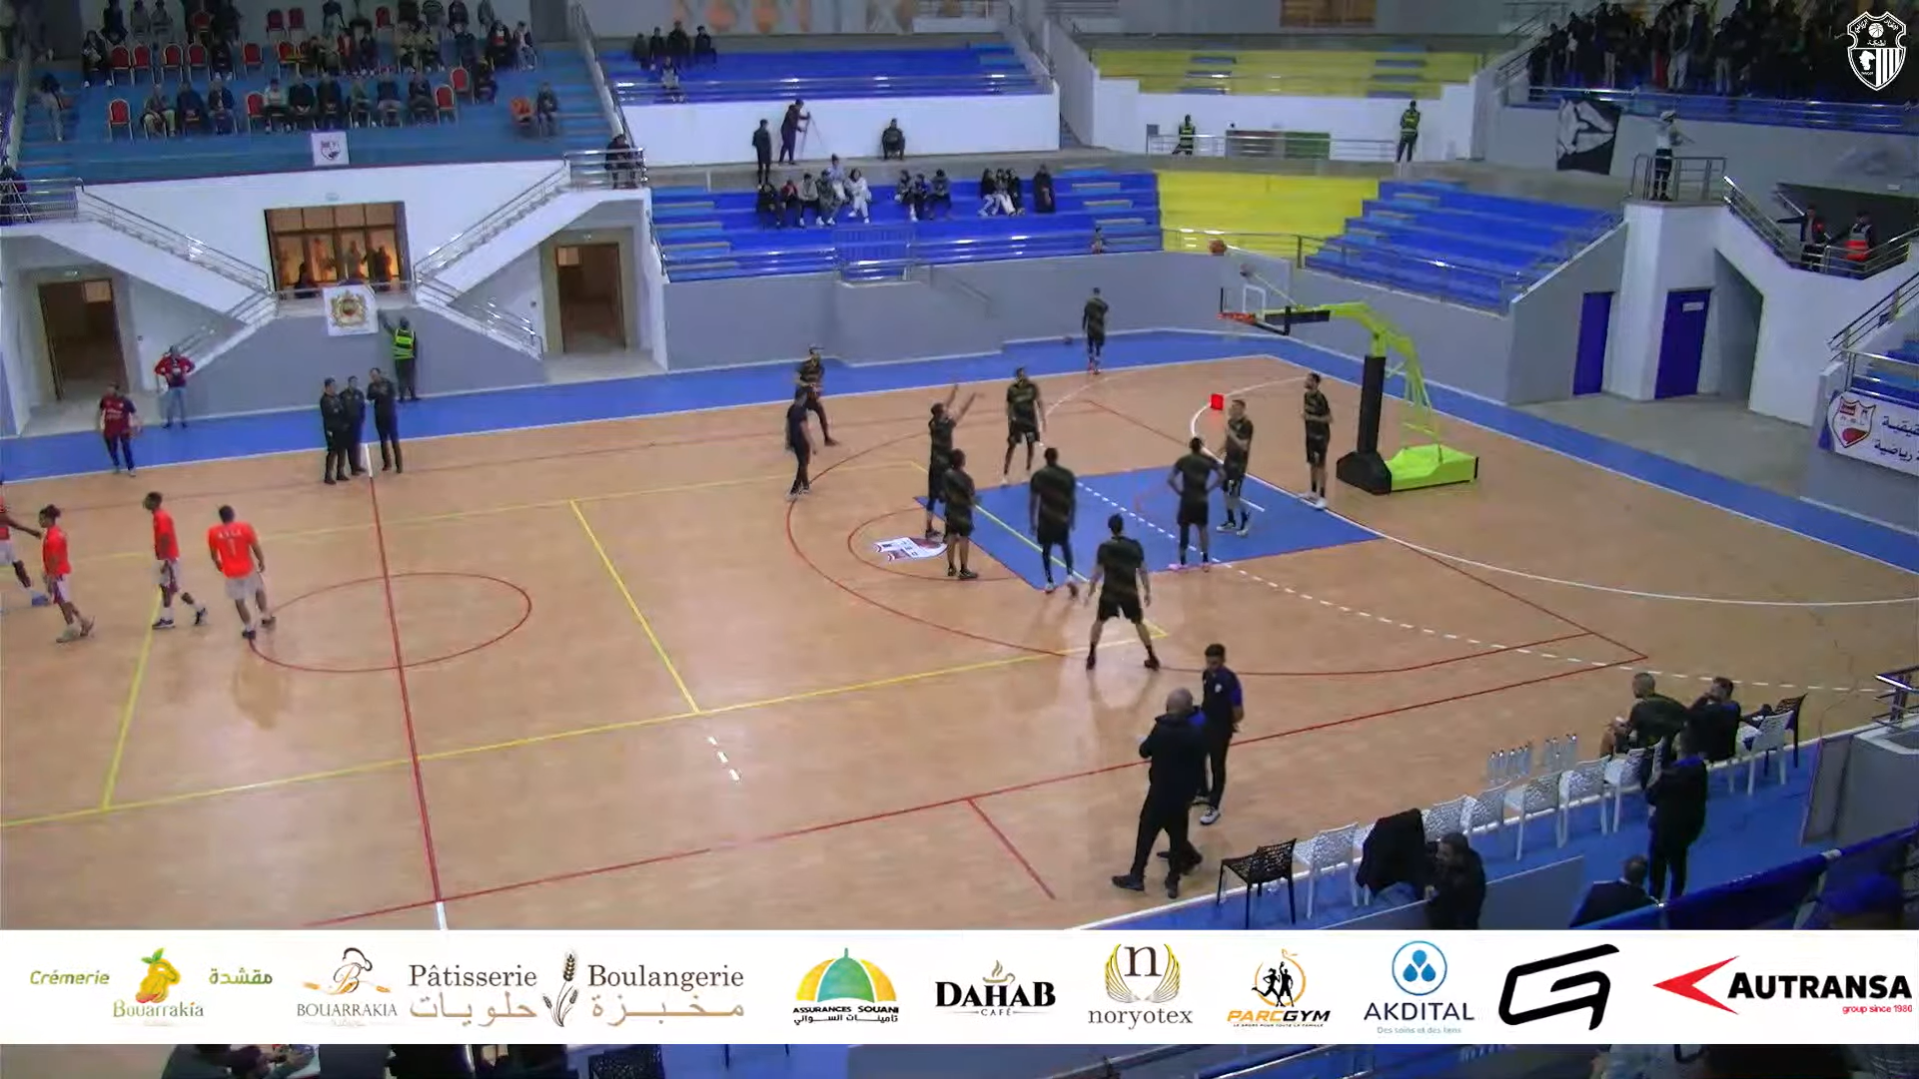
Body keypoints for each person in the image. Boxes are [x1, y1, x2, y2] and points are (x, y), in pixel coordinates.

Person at [1112, 688, 1205, 898]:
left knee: (1147, 831)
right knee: (1177, 832)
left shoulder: (1161, 729)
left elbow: (1144, 751)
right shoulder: (1195, 733)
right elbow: (1200, 765)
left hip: (1160, 792)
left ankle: (1137, 876)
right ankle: (1174, 879)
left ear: (1168, 707)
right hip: (1182, 794)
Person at [1084, 513, 1158, 671]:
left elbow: (1098, 571)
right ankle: (1152, 656)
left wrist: (1091, 589)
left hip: (1110, 590)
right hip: (1129, 590)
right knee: (1138, 622)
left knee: (1099, 621)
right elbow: (1143, 570)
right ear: (1123, 527)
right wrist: (1147, 591)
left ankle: (1091, 655)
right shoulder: (1134, 546)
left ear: (1110, 529)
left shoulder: (1104, 548)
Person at [1645, 729, 1708, 901]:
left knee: (1657, 865)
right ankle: (1676, 899)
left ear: (1680, 747)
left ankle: (1655, 899)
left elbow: (1650, 796)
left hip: (1666, 828)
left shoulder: (1669, 775)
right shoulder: (1700, 768)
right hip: (1690, 826)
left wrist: (1656, 777)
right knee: (1679, 861)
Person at [207, 504, 274, 640]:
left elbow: (213, 553)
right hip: (247, 568)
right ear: (233, 515)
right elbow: (255, 546)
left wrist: (217, 563)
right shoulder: (244, 528)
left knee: (239, 601)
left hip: (231, 572)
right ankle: (266, 617)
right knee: (258, 590)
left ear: (221, 517)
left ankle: (249, 628)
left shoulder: (213, 532)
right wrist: (261, 560)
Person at [143, 492, 207, 629]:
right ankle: (168, 618)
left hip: (169, 558)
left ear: (155, 502)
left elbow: (165, 538)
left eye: (148, 500)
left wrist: (166, 561)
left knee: (176, 588)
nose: (145, 502)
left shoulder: (161, 518)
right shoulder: (157, 517)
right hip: (165, 557)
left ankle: (199, 608)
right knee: (165, 587)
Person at [1196, 643, 1242, 826]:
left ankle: (1213, 806)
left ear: (1223, 660)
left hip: (1221, 729)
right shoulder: (1206, 675)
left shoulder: (1230, 680)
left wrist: (1229, 724)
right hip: (1205, 724)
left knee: (1217, 765)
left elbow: (1238, 709)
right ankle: (1203, 792)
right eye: (1208, 662)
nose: (1211, 666)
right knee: (1197, 757)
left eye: (1214, 663)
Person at [923, 385, 976, 543]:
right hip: (945, 470)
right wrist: (971, 398)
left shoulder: (932, 424)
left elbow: (945, 406)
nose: (947, 411)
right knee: (950, 501)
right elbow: (961, 411)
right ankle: (948, 535)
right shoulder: (947, 426)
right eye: (944, 411)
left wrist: (954, 391)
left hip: (934, 466)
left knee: (932, 499)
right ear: (941, 414)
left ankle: (928, 529)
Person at [37, 506, 94, 643]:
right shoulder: (56, 532)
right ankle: (84, 622)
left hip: (58, 574)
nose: (39, 521)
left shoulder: (53, 538)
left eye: (42, 519)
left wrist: (50, 578)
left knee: (63, 603)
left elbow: (54, 559)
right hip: (60, 571)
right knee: (64, 600)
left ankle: (71, 628)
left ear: (49, 519)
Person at [1028, 446, 1077, 597]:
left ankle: (1049, 581)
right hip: (1062, 517)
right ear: (1056, 457)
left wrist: (1032, 521)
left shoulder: (1038, 476)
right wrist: (1072, 518)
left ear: (1045, 458)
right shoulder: (1067, 475)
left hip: (1045, 519)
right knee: (1065, 545)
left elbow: (1033, 501)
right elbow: (1072, 499)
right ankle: (1070, 574)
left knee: (1046, 549)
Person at [1166, 436, 1220, 570]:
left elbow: (1170, 479)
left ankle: (1183, 562)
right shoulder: (1208, 461)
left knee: (1184, 529)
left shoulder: (1183, 460)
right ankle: (1205, 560)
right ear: (1201, 447)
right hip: (1202, 498)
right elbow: (1223, 475)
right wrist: (1210, 488)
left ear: (1190, 447)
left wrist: (1179, 491)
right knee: (1202, 529)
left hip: (1187, 499)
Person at [0, 481, 52, 607]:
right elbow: (4, 519)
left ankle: (33, 594)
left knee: (18, 565)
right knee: (17, 566)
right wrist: (30, 531)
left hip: (5, 537)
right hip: (2, 540)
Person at [1570, 854, 1657, 926]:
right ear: (1645, 876)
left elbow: (1576, 926)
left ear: (1624, 868)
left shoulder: (1598, 891)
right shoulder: (1649, 906)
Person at [1424, 831, 1486, 929]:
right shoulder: (1448, 861)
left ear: (1459, 857)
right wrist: (1430, 885)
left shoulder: (1467, 884)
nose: (1438, 856)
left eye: (1445, 854)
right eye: (1439, 852)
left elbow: (1463, 919)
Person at [1218, 397, 1254, 536]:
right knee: (1225, 491)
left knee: (1234, 494)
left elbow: (1244, 445)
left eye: (1234, 408)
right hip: (1228, 460)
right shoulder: (1231, 421)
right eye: (1231, 407)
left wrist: (1231, 434)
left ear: (1241, 409)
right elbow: (1228, 440)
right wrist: (1219, 451)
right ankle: (1231, 520)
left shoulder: (1247, 425)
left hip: (1239, 464)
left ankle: (1246, 519)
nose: (1230, 409)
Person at [941, 448, 979, 581]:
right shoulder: (967, 479)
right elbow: (971, 498)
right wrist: (974, 502)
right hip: (963, 513)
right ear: (962, 462)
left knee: (951, 536)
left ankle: (951, 567)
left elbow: (944, 493)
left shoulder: (946, 475)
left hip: (950, 511)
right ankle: (964, 570)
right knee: (964, 538)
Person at [1686, 676, 1742, 763]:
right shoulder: (1735, 707)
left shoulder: (1711, 711)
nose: (1709, 692)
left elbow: (1688, 716)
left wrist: (1703, 699)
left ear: (1723, 692)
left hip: (1710, 757)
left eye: (1713, 690)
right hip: (1728, 753)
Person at [1001, 366, 1043, 477]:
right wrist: (1010, 418)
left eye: (1024, 375)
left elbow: (1039, 402)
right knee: (1011, 446)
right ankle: (1005, 472)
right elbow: (1009, 406)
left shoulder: (1032, 387)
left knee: (1030, 445)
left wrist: (1042, 419)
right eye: (1020, 375)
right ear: (1017, 377)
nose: (1023, 377)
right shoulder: (1012, 389)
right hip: (1017, 423)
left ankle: (1028, 469)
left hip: (1030, 421)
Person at [1300, 372, 1332, 508]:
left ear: (1315, 383)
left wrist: (1311, 418)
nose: (1305, 381)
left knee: (1321, 466)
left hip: (1321, 436)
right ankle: (1313, 491)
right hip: (1310, 434)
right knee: (1312, 463)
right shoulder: (1306, 396)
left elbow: (1329, 418)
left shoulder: (1321, 399)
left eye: (1309, 380)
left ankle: (1323, 497)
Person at [795, 346, 836, 445]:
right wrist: (808, 385)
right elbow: (796, 380)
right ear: (812, 355)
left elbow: (818, 382)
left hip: (813, 396)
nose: (818, 356)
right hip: (802, 395)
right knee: (800, 419)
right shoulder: (804, 366)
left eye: (819, 354)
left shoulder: (821, 368)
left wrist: (818, 393)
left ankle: (827, 439)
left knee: (822, 416)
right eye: (816, 354)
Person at [98, 382, 140, 476]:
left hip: (123, 428)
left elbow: (134, 413)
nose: (108, 390)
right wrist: (100, 425)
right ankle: (116, 465)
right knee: (112, 448)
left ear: (116, 390)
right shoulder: (105, 400)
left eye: (111, 388)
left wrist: (138, 425)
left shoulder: (125, 401)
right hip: (109, 428)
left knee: (126, 447)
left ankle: (131, 468)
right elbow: (101, 411)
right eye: (108, 388)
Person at [367, 367, 402, 472]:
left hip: (390, 415)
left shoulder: (388, 383)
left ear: (379, 374)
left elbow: (392, 394)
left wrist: (381, 394)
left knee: (394, 441)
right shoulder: (371, 386)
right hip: (379, 415)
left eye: (375, 375)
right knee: (383, 441)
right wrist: (377, 393)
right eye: (372, 376)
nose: (374, 377)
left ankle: (399, 465)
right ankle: (387, 463)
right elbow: (369, 397)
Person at [319, 379, 352, 484]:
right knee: (332, 451)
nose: (335, 388)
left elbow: (343, 410)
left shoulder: (337, 397)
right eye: (333, 386)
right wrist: (338, 410)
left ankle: (340, 472)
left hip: (341, 428)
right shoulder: (324, 400)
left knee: (342, 450)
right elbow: (330, 412)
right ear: (327, 387)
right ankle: (328, 475)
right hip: (331, 429)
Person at [380, 313, 419, 400]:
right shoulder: (412, 334)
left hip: (399, 360)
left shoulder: (396, 333)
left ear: (400, 325)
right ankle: (413, 396)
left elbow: (387, 327)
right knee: (410, 378)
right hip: (409, 360)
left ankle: (402, 397)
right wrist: (414, 358)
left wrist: (382, 317)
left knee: (401, 379)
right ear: (407, 325)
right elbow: (415, 347)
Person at [784, 385, 812, 501]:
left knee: (802, 462)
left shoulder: (791, 408)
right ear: (803, 397)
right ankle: (794, 491)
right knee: (803, 464)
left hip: (794, 441)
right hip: (801, 441)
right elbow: (804, 429)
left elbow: (787, 426)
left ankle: (805, 485)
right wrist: (812, 444)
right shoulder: (801, 411)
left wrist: (788, 441)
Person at [340, 375, 368, 475]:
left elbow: (362, 407)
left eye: (355, 382)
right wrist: (343, 422)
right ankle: (353, 468)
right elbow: (341, 410)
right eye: (352, 382)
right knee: (350, 445)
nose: (354, 384)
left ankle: (357, 465)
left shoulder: (359, 394)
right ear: (349, 383)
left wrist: (362, 419)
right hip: (348, 423)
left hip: (357, 422)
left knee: (357, 444)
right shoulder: (343, 395)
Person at [1082, 287, 1108, 375]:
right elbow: (1105, 309)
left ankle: (1090, 363)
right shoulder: (1102, 304)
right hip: (1099, 328)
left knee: (1090, 345)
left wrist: (1083, 326)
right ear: (1099, 294)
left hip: (1090, 328)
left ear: (1093, 293)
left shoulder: (1088, 304)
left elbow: (1085, 316)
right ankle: (1096, 367)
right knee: (1098, 347)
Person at [778, 97, 807, 164]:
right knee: (786, 145)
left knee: (791, 145)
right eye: (800, 106)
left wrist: (806, 117)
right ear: (797, 105)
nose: (801, 108)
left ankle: (791, 160)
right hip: (786, 131)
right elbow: (792, 123)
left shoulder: (796, 111)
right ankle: (781, 160)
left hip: (791, 131)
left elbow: (799, 117)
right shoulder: (790, 112)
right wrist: (800, 129)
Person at [1396, 99, 1420, 163]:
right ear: (1415, 106)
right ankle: (1408, 162)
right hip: (1412, 133)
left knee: (1401, 148)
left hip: (1405, 133)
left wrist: (1405, 125)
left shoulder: (1406, 113)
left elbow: (1401, 122)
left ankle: (1398, 160)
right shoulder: (1417, 113)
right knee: (1409, 149)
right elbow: (1416, 123)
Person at [751, 118, 773, 185]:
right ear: (764, 124)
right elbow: (769, 143)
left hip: (760, 152)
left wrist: (759, 147)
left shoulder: (756, 132)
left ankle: (760, 181)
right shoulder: (766, 133)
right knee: (767, 167)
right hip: (766, 152)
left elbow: (753, 143)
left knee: (760, 167)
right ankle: (766, 180)